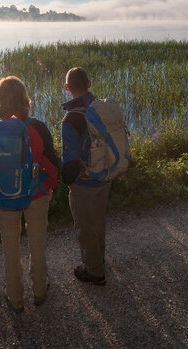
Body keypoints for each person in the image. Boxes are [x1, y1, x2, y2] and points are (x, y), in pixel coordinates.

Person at [0, 76, 58, 313]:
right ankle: (40, 290)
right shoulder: (36, 127)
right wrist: (49, 185)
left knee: (10, 249)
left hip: (4, 198)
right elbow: (52, 160)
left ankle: (15, 296)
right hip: (36, 194)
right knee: (37, 244)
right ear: (24, 99)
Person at [61, 67, 110, 286]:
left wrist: (65, 181)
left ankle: (95, 271)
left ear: (67, 87)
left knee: (85, 226)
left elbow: (70, 161)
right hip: (106, 175)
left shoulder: (71, 118)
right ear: (89, 84)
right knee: (99, 221)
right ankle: (98, 258)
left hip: (84, 182)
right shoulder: (101, 108)